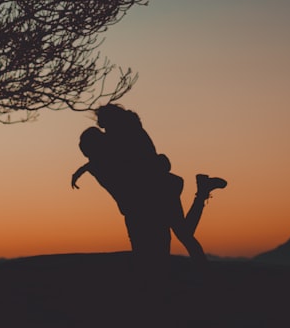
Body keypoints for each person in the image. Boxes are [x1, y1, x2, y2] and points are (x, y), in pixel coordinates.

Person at [71, 103, 227, 264]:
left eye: (103, 123)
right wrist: (84, 168)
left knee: (181, 236)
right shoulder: (124, 134)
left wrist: (85, 168)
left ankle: (202, 192)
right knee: (183, 235)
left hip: (156, 192)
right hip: (155, 191)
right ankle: (202, 191)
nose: (102, 127)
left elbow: (136, 161)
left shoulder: (124, 136)